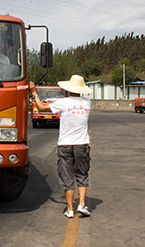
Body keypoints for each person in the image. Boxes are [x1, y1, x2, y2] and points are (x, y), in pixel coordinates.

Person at [30, 75, 93, 218]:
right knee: (82, 173)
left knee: (67, 175)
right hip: (81, 144)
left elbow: (41, 107)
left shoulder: (63, 103)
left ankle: (70, 209)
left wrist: (34, 93)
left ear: (68, 89)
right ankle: (82, 204)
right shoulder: (87, 103)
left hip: (65, 144)